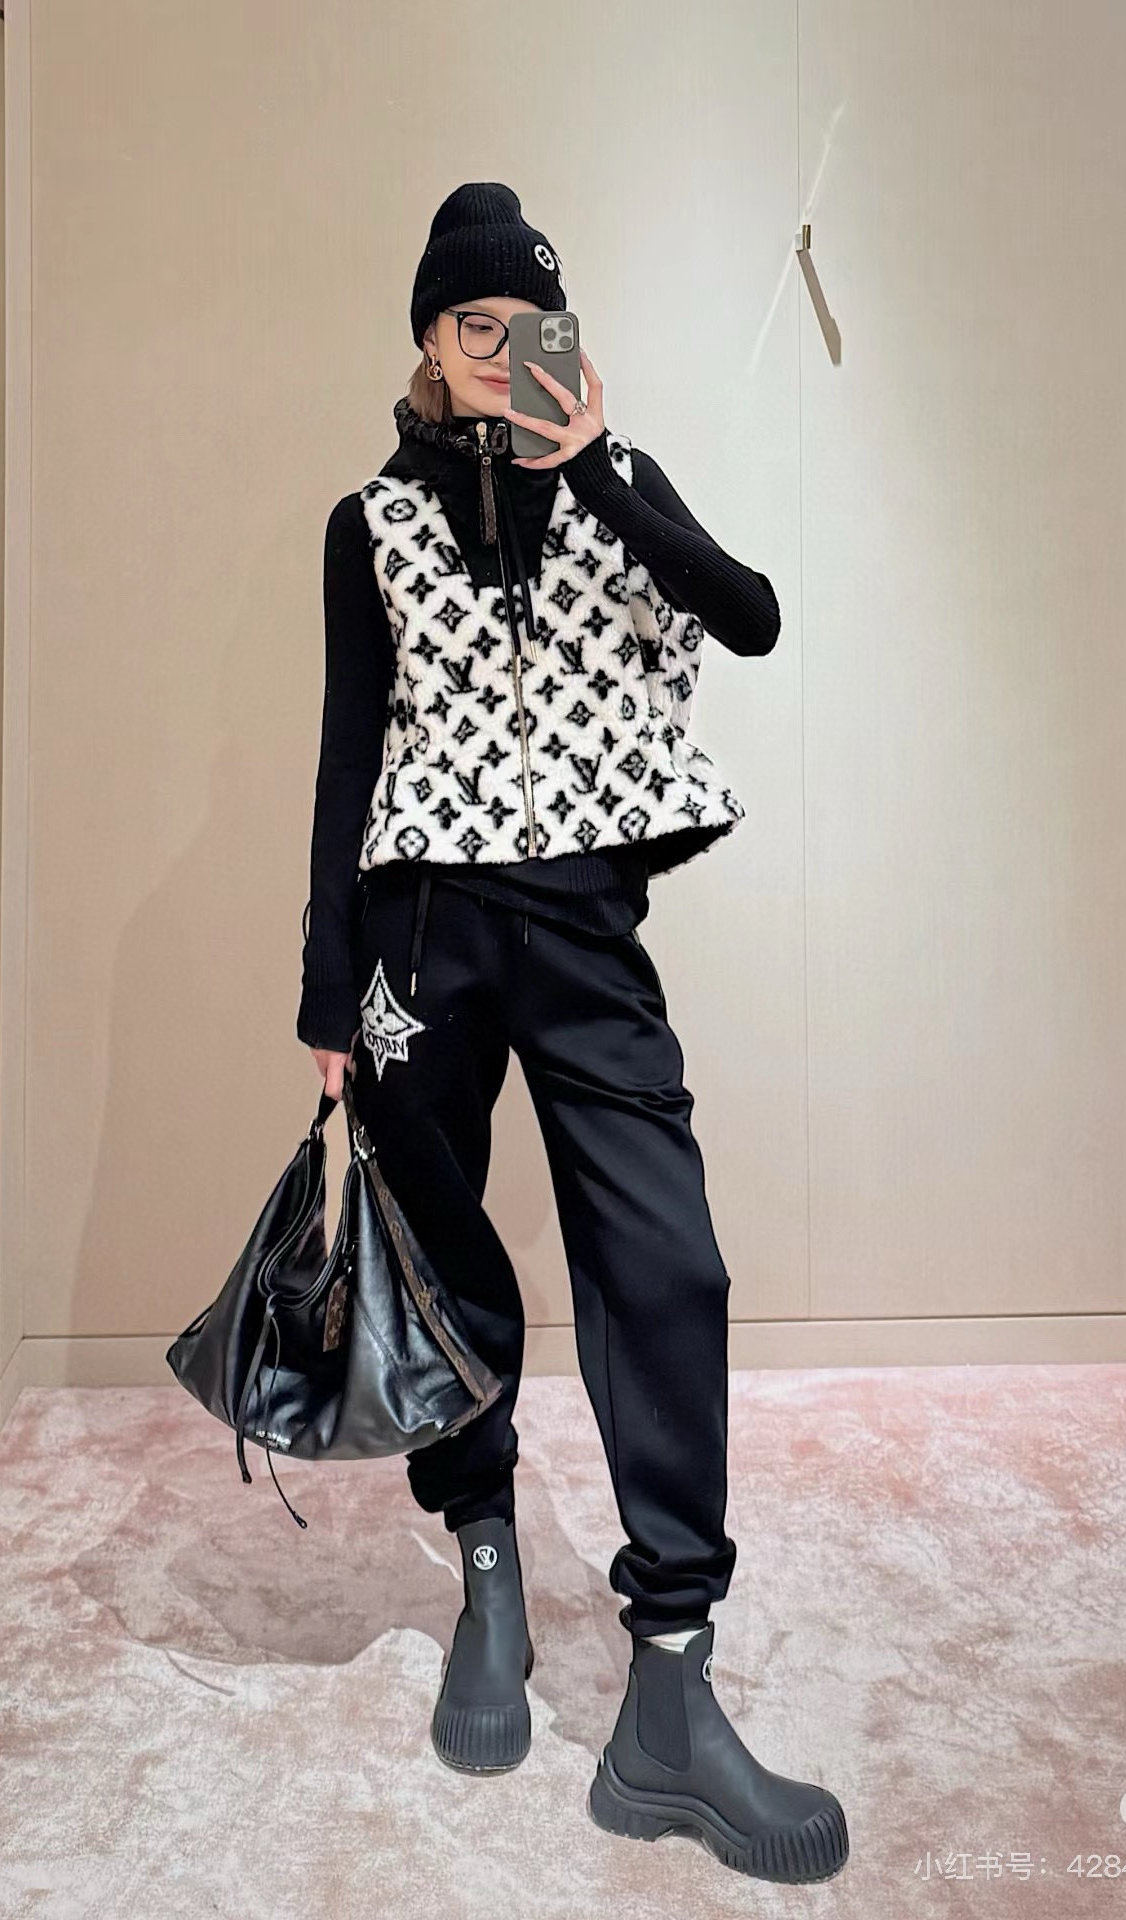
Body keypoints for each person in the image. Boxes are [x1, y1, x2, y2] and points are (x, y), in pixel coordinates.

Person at [297, 182, 848, 1885]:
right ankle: (485, 1568)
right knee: (449, 1271)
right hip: (422, 942)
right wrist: (326, 988)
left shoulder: (618, 477)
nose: (502, 348)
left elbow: (750, 614)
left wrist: (596, 466)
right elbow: (347, 755)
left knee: (666, 1266)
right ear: (427, 340)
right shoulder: (367, 524)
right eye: (472, 324)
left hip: (585, 935)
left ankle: (671, 1678)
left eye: (529, 322)